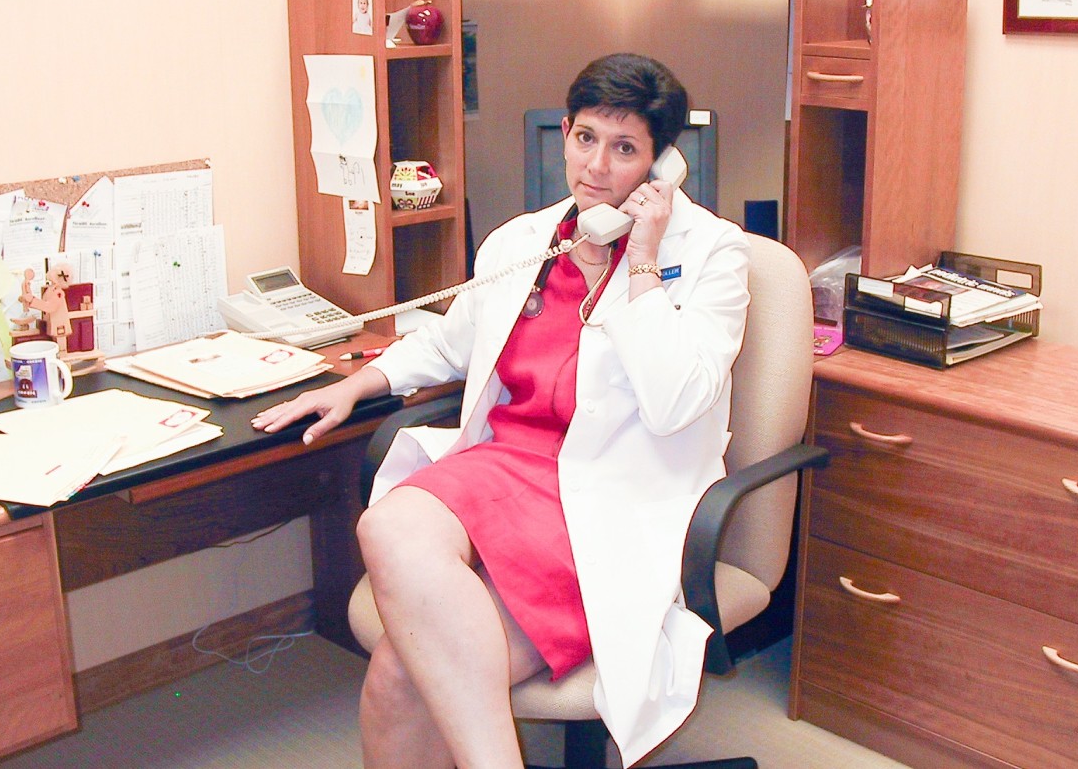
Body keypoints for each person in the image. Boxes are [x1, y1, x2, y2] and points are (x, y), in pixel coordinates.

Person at [252, 53, 750, 768]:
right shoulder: (525, 241)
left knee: (399, 678)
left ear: (662, 162)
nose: (596, 167)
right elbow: (453, 341)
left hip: (610, 492)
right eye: (585, 138)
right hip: (502, 466)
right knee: (387, 524)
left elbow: (674, 403)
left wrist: (642, 258)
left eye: (625, 148)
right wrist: (358, 383)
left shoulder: (712, 257)